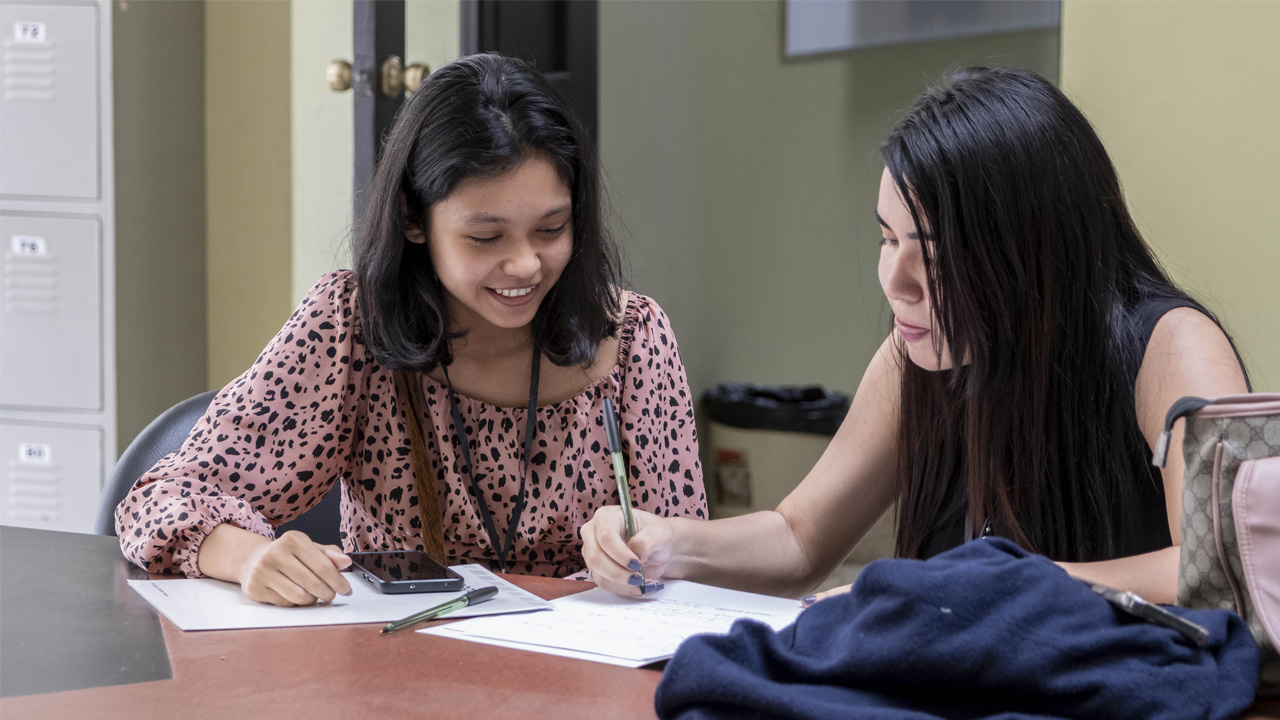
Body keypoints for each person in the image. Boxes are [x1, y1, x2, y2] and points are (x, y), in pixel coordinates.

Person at [581, 66, 1248, 605]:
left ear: (1028, 253)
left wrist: (979, 585)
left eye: (930, 253)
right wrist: (668, 543)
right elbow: (799, 538)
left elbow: (1224, 567)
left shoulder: (1170, 347)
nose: (894, 281)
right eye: (886, 238)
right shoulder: (918, 354)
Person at [116, 54, 706, 606]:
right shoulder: (351, 324)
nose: (526, 264)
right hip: (399, 669)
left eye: (551, 229)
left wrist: (645, 555)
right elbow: (157, 498)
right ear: (412, 220)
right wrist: (248, 556)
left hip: (586, 676)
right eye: (486, 238)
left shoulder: (632, 337)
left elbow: (689, 560)